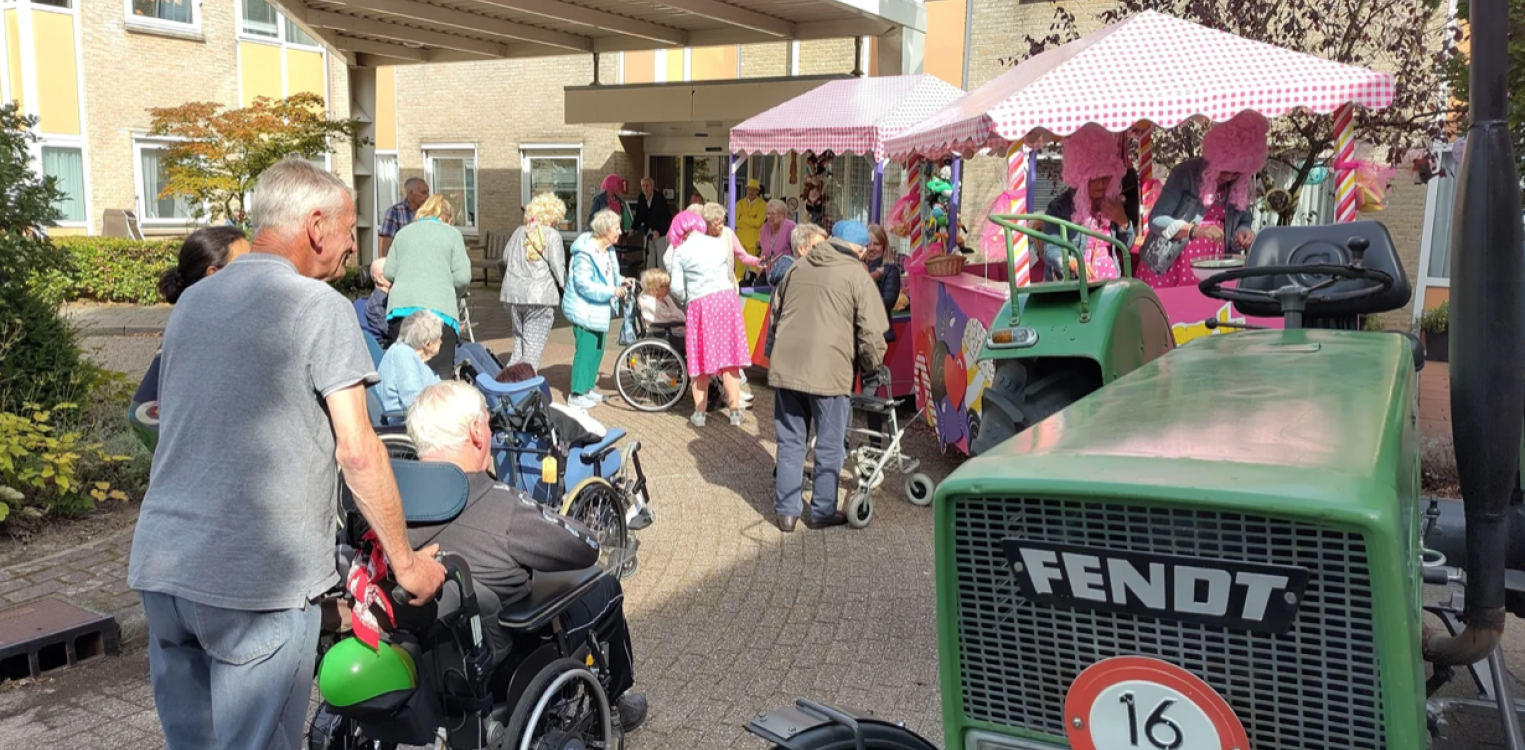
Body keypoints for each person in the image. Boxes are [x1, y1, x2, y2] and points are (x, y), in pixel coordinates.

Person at [129, 157, 445, 750]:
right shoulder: (318, 307)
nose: (354, 248)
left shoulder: (193, 303)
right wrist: (406, 565)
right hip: (255, 584)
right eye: (350, 230)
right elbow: (358, 451)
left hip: (165, 569)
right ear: (317, 225)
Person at [403, 381, 647, 730]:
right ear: (476, 432)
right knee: (607, 588)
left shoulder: (390, 509)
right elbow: (585, 548)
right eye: (487, 422)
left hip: (421, 663)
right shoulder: (502, 508)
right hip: (507, 664)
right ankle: (615, 702)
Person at [767, 219, 889, 532]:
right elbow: (873, 332)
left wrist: (775, 354)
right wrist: (871, 366)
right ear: (860, 250)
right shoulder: (858, 276)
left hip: (788, 367)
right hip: (830, 371)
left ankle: (787, 513)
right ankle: (821, 511)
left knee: (791, 440)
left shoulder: (798, 266)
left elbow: (775, 312)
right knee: (830, 443)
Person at [128, 226, 251, 452]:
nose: (254, 273)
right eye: (244, 266)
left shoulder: (214, 322)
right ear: (213, 274)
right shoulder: (200, 329)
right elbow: (142, 411)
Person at [1138, 110, 1268, 288]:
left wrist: (1244, 232)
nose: (1230, 177)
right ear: (1214, 158)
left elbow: (1243, 220)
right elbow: (1156, 220)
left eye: (1237, 172)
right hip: (1171, 264)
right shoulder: (1185, 173)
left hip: (1217, 266)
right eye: (1225, 170)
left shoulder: (1240, 183)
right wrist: (1196, 231)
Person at [666, 210, 750, 427]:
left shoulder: (681, 252)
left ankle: (700, 414)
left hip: (701, 303)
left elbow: (676, 288)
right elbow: (727, 271)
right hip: (726, 300)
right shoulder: (717, 244)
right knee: (730, 359)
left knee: (700, 360)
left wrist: (688, 297)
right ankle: (734, 412)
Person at [384, 194, 472, 379]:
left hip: (402, 312)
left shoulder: (403, 233)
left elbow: (389, 272)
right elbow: (463, 277)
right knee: (438, 376)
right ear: (447, 218)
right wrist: (449, 291)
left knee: (402, 375)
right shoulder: (452, 234)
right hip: (439, 313)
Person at [1038, 123, 1136, 283]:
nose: (1101, 185)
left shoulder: (1112, 202)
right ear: (1080, 177)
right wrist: (1071, 261)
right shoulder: (1059, 207)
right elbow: (1050, 249)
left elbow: (1127, 245)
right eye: (1094, 179)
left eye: (1106, 178)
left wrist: (1123, 222)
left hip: (1110, 286)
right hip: (1076, 287)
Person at [563, 209, 630, 410]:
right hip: (585, 309)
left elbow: (609, 275)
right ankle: (576, 393)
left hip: (599, 309)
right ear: (605, 230)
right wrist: (612, 291)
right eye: (616, 228)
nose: (620, 232)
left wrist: (621, 281)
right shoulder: (584, 253)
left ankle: (587, 389)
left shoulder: (608, 250)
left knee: (597, 350)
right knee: (585, 351)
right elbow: (584, 284)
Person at [500, 192, 568, 370]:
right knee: (532, 351)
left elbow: (505, 257)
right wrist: (566, 288)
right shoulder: (553, 235)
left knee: (518, 347)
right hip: (540, 298)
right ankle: (524, 390)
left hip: (512, 296)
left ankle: (507, 386)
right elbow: (558, 268)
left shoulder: (518, 231)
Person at [376, 310, 444, 413]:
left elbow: (438, 387)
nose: (441, 341)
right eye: (438, 339)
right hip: (406, 422)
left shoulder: (415, 356)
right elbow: (413, 401)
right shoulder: (403, 355)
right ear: (428, 344)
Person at [863, 224, 901, 341]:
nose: (872, 248)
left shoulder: (890, 270)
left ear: (884, 247)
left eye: (877, 244)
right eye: (868, 244)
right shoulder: (857, 266)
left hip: (878, 334)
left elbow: (887, 303)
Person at [765, 222, 825, 289]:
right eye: (818, 247)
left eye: (826, 247)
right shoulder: (794, 279)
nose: (824, 251)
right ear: (801, 249)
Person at [379, 177, 429, 257]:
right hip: (402, 262)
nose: (427, 196)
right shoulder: (394, 212)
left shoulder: (430, 212)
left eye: (428, 192)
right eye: (423, 192)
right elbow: (387, 244)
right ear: (410, 193)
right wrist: (385, 266)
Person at [735, 178, 767, 273]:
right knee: (739, 266)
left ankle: (753, 285)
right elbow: (736, 222)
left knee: (754, 265)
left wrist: (742, 218)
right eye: (749, 189)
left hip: (754, 240)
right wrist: (752, 222)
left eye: (753, 189)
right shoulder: (740, 204)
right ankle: (738, 284)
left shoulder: (763, 204)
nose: (751, 191)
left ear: (757, 191)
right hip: (740, 239)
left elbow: (758, 222)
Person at [757, 199, 796, 277]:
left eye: (773, 214)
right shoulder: (764, 228)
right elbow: (763, 252)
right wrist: (759, 270)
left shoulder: (791, 227)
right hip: (770, 276)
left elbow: (797, 251)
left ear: (783, 216)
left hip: (787, 274)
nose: (770, 217)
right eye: (768, 214)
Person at [632, 177, 671, 244]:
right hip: (648, 231)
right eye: (643, 186)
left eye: (647, 186)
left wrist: (659, 231)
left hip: (660, 232)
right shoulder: (641, 198)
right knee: (649, 253)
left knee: (660, 253)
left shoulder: (659, 198)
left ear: (652, 186)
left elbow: (666, 217)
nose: (645, 188)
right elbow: (639, 215)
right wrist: (633, 228)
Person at [362, 257, 391, 339]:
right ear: (381, 279)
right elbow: (393, 331)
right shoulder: (377, 303)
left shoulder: (390, 297)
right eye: (393, 271)